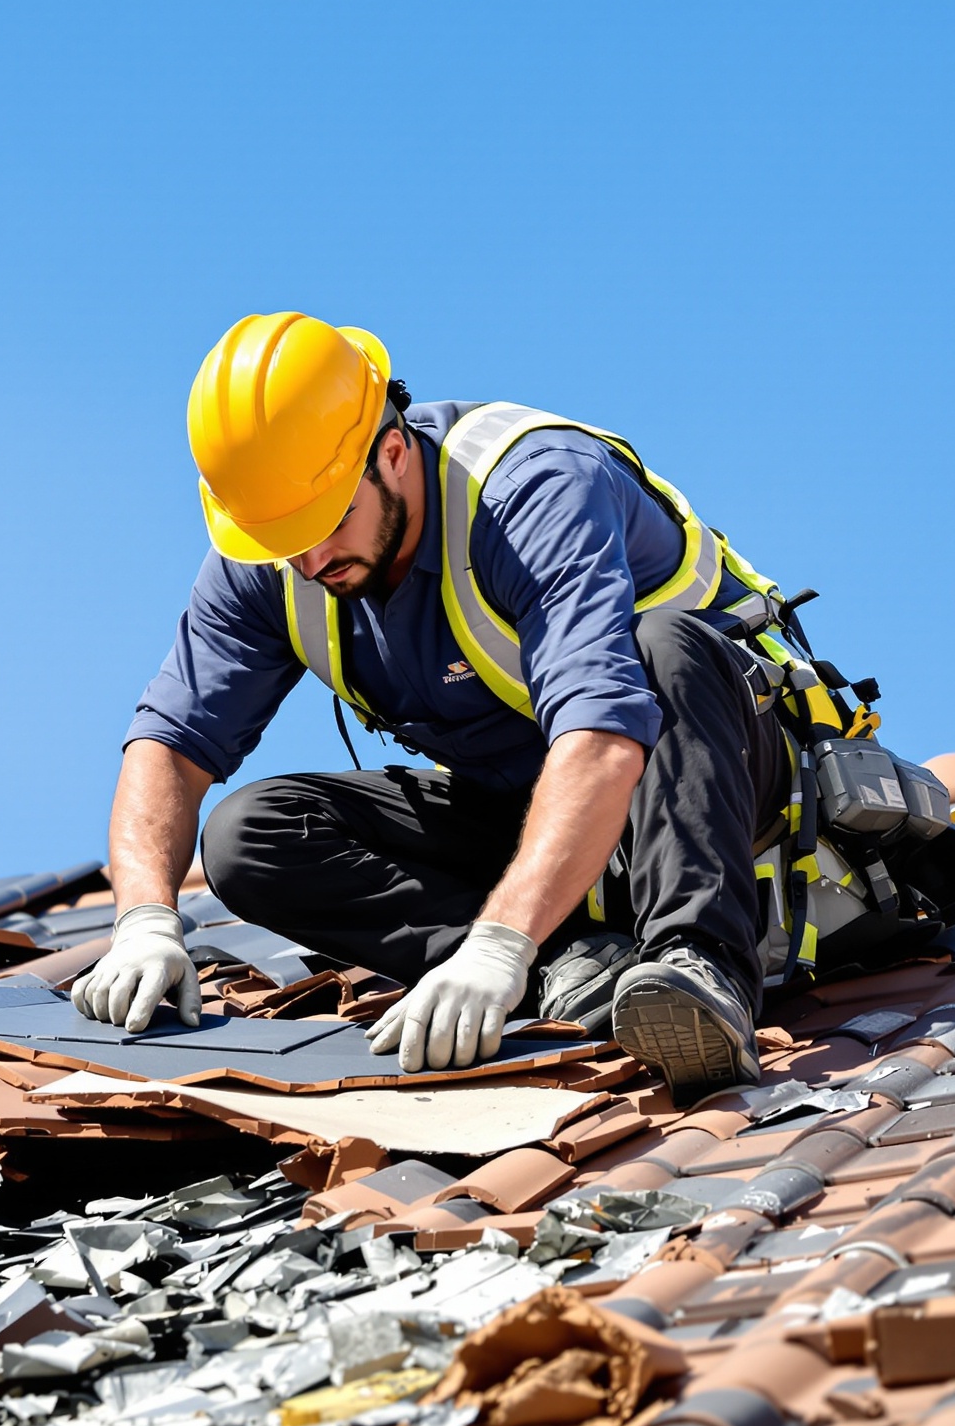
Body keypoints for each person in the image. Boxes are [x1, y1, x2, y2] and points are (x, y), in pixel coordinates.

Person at [73, 311, 801, 1104]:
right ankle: (572, 970)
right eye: (284, 539)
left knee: (660, 648)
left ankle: (699, 968)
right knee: (251, 835)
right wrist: (144, 921)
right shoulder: (276, 553)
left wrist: (498, 944)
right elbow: (170, 746)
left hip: (728, 795)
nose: (311, 561)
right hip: (543, 822)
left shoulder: (533, 488)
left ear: (392, 452)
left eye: (329, 522)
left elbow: (603, 734)